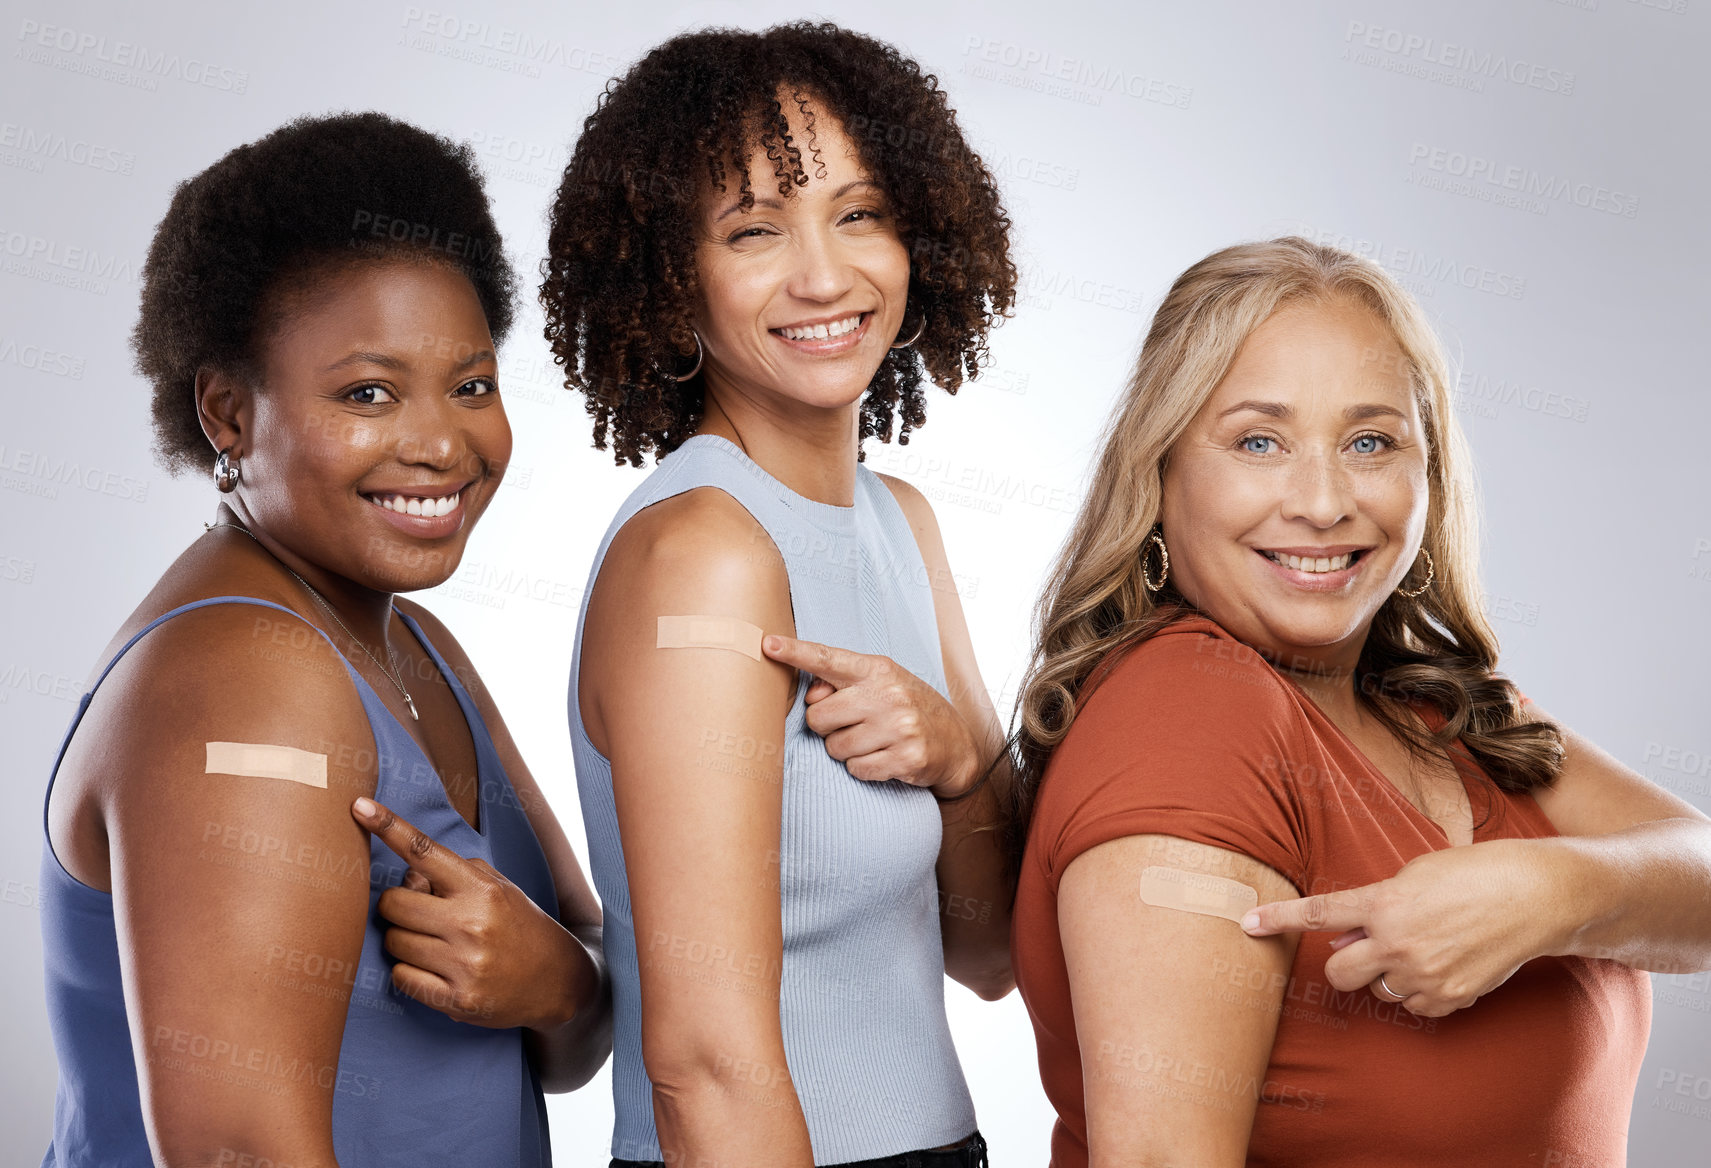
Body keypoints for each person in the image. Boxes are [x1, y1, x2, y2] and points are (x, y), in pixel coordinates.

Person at [1006, 237, 1711, 1167]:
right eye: (1258, 441)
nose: (1323, 501)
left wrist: (1551, 892)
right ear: (1159, 470)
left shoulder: (1433, 707)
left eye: (1370, 442)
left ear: (1428, 477)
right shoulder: (1193, 711)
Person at [39, 111, 611, 1168]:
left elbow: (571, 1000)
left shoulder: (418, 645)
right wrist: (567, 993)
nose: (443, 442)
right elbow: (239, 1154)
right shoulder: (244, 682)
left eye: (472, 384)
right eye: (368, 392)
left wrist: (558, 983)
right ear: (226, 412)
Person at [540, 21, 1017, 1168]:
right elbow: (703, 1064)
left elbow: (992, 951)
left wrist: (957, 758)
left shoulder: (899, 521)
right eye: (752, 231)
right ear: (668, 279)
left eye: (859, 213)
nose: (823, 275)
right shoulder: (702, 551)